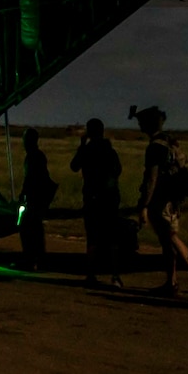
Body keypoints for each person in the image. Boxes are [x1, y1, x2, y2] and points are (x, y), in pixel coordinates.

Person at [131, 106, 188, 295]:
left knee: (170, 238)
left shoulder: (155, 147)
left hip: (161, 200)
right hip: (173, 199)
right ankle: (172, 282)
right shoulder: (169, 142)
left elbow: (151, 179)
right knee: (168, 240)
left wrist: (144, 205)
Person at [70, 117, 123, 287]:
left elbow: (74, 166)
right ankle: (115, 275)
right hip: (110, 199)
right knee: (113, 238)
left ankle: (91, 274)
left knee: (92, 237)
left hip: (92, 198)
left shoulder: (87, 150)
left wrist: (82, 145)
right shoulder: (110, 151)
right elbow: (118, 171)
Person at [16, 127, 58, 272]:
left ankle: (30, 260)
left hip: (34, 199)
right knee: (36, 230)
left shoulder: (33, 157)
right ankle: (39, 260)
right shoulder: (38, 155)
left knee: (27, 229)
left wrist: (23, 195)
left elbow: (31, 179)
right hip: (38, 199)